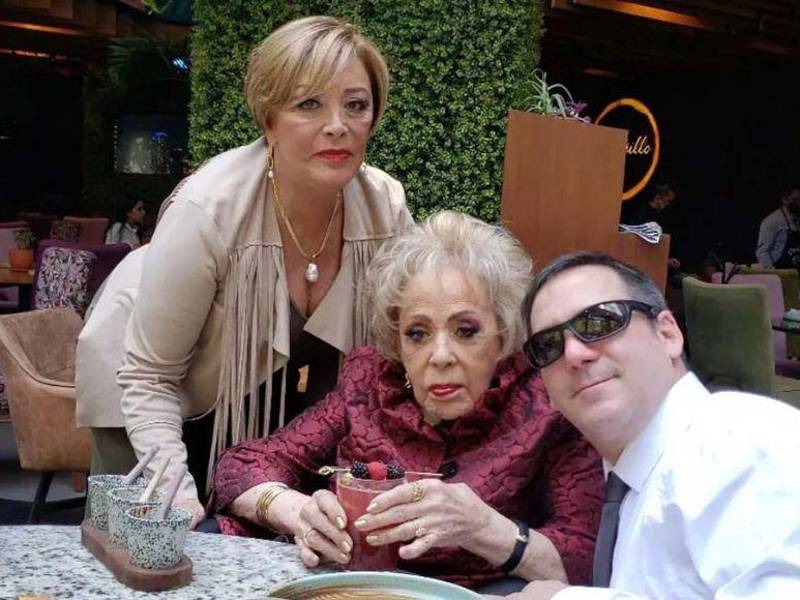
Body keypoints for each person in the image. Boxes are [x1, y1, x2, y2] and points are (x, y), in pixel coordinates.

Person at [89, 16, 413, 529]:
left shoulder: (384, 209)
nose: (338, 125)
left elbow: (397, 355)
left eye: (356, 105)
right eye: (309, 104)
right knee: (160, 543)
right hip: (147, 400)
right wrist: (176, 497)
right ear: (269, 120)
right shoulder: (207, 210)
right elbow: (150, 377)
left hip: (257, 408)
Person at [211, 212, 604, 592]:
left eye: (466, 330)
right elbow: (241, 466)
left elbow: (587, 562)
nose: (440, 356)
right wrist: (299, 514)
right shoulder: (369, 386)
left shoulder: (546, 406)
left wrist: (484, 528)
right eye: (417, 334)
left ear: (502, 334)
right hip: (350, 588)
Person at [510, 251, 800, 599]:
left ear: (667, 334)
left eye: (600, 321)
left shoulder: (740, 443)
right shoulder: (633, 476)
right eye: (548, 345)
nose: (573, 354)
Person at [755, 186, 800, 268]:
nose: (798, 203)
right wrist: (773, 272)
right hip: (780, 270)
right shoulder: (772, 221)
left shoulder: (797, 218)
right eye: (795, 200)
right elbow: (761, 252)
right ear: (784, 200)